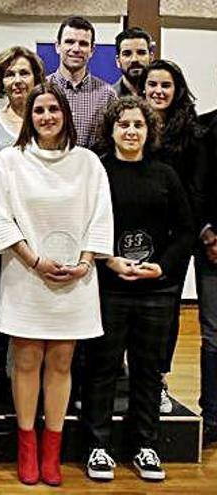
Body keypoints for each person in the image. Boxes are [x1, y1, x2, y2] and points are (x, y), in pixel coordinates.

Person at [0, 83, 113, 486]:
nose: (46, 117)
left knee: (61, 362)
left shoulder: (89, 162)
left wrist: (85, 260)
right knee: (25, 362)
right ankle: (27, 445)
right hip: (27, 276)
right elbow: (2, 218)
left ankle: (52, 448)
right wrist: (34, 260)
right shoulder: (10, 160)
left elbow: (100, 216)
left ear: (66, 115)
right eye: (39, 110)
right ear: (29, 116)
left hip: (76, 279)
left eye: (54, 110)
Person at [81, 96, 193, 482]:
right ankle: (98, 446)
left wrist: (160, 266)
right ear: (111, 129)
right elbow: (84, 224)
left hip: (155, 289)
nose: (131, 131)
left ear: (149, 130)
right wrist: (109, 259)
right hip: (109, 286)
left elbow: (185, 231)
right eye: (124, 124)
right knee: (102, 368)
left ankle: (144, 445)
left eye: (138, 125)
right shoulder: (98, 172)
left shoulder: (165, 175)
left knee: (147, 370)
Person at [0, 46, 46, 405]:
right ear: (0, 81)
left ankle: (33, 373)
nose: (17, 80)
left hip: (40, 232)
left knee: (33, 301)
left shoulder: (47, 116)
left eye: (24, 73)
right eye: (10, 74)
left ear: (36, 77)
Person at [142, 59, 206, 413]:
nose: (158, 92)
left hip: (174, 241)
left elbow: (196, 193)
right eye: (152, 85)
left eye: (165, 85)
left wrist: (184, 236)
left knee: (165, 314)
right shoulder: (135, 127)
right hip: (136, 237)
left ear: (176, 89)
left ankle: (159, 379)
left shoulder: (193, 135)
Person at [46, 16, 116, 149]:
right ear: (58, 46)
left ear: (92, 50)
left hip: (92, 168)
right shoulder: (42, 89)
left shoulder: (107, 95)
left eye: (83, 43)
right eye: (69, 42)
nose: (76, 48)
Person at [196, 93, 217, 447]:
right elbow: (198, 188)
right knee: (214, 335)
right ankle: (212, 416)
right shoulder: (206, 128)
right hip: (213, 245)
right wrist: (209, 232)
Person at [113, 27, 153, 97]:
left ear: (151, 58)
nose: (134, 59)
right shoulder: (107, 99)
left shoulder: (162, 98)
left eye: (141, 53)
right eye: (127, 54)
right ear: (118, 61)